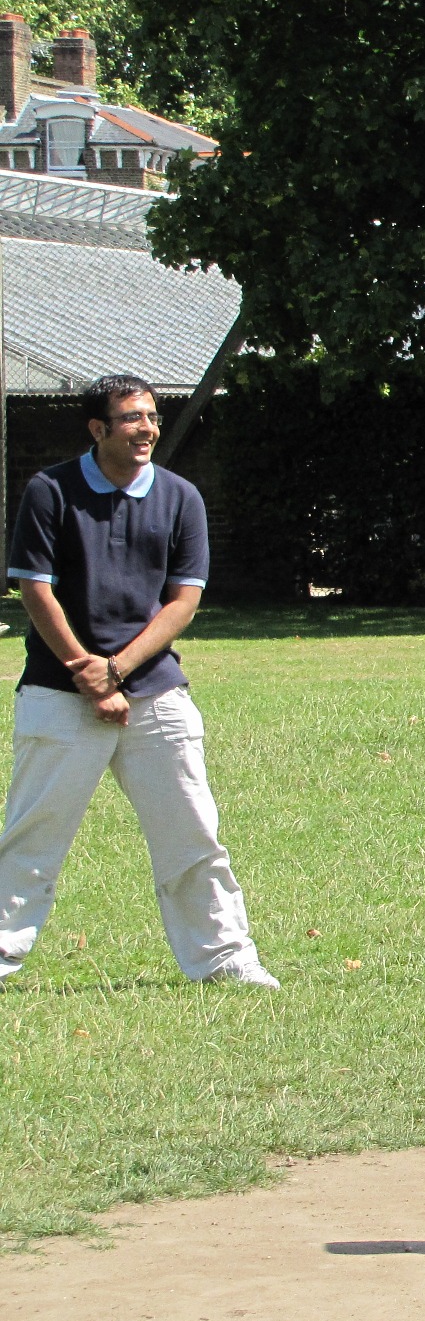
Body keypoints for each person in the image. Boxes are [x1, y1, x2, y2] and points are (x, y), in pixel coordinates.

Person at [0, 374, 275, 989]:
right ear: (98, 428)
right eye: (131, 418)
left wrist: (118, 670)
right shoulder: (50, 491)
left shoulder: (181, 497)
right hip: (58, 690)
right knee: (32, 836)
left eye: (151, 416)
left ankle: (225, 959)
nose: (146, 427)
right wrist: (89, 673)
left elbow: (183, 602)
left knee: (193, 834)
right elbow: (34, 589)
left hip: (156, 693)